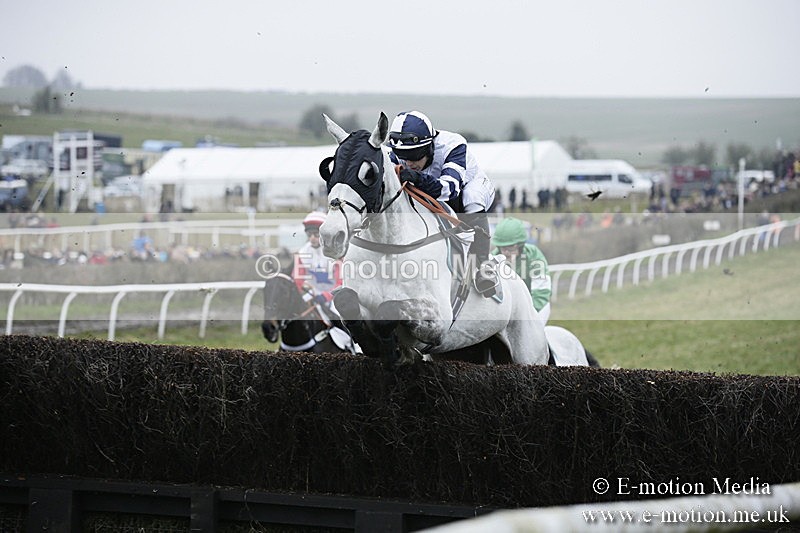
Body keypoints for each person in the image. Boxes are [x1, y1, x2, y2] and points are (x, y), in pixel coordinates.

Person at [387, 110, 498, 297]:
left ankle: (483, 266)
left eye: (414, 157)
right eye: (403, 157)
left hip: (467, 186)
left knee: (472, 198)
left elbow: (449, 190)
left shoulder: (453, 145)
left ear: (428, 148)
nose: (408, 163)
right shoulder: (398, 153)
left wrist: (417, 178)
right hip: (433, 190)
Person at [491, 217, 552, 324]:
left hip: (536, 305)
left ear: (520, 245)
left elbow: (541, 292)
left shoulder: (534, 256)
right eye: (502, 247)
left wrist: (523, 316)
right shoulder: (493, 258)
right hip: (507, 310)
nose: (505, 252)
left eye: (510, 247)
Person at [292, 211, 342, 306]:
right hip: (312, 295)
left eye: (316, 234)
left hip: (335, 296)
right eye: (309, 235)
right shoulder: (303, 253)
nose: (312, 238)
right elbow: (297, 281)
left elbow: (341, 282)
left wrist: (326, 296)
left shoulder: (337, 253)